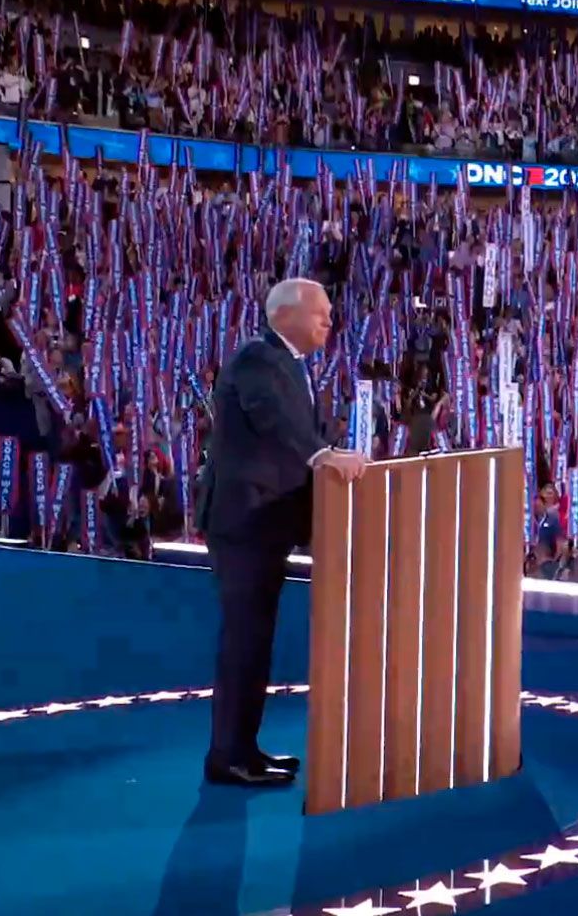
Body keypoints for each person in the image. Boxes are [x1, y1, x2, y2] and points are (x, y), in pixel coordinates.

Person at [194, 278, 367, 787]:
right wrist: (321, 455)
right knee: (244, 641)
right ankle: (227, 757)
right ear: (287, 313)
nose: (330, 322)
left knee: (257, 641)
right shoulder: (258, 359)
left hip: (266, 525)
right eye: (322, 313)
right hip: (244, 523)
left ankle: (244, 748)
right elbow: (275, 421)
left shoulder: (290, 365)